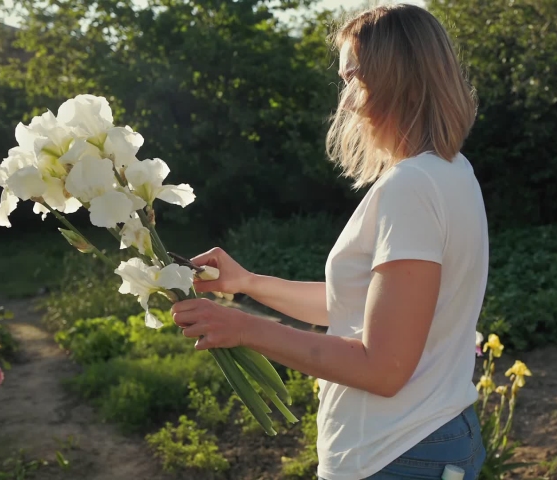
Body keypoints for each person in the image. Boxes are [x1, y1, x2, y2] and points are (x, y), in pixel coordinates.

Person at [171, 3, 489, 479]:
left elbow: (382, 367)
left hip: (393, 452)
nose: (346, 100)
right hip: (424, 441)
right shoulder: (450, 172)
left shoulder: (411, 188)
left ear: (390, 80)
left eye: (351, 79)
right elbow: (363, 311)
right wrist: (248, 284)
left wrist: (242, 328)